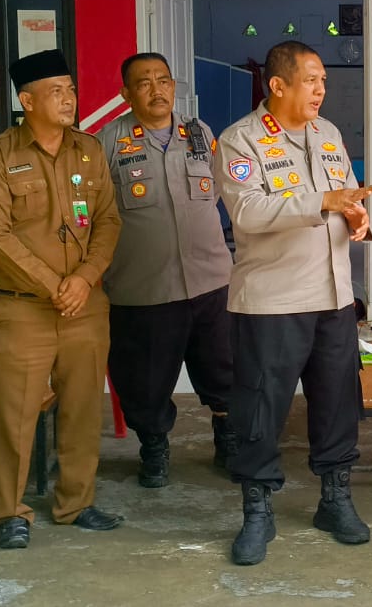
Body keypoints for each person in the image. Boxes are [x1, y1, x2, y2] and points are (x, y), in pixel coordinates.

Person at [215, 40, 372, 566]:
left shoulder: (327, 133)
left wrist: (356, 216)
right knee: (260, 408)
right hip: (273, 301)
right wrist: (324, 201)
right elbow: (248, 211)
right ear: (278, 85)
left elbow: (345, 193)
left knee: (337, 402)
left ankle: (335, 500)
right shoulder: (240, 140)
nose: (321, 90)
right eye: (311, 80)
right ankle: (257, 511)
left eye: (324, 81)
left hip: (334, 296)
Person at [0, 49, 126, 550]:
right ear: (27, 100)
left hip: (85, 305)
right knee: (14, 416)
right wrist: (55, 286)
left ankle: (76, 502)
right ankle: (9, 512)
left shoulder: (90, 150)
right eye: (56, 91)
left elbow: (108, 221)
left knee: (82, 410)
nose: (69, 99)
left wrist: (84, 278)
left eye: (71, 89)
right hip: (23, 308)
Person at [97, 52, 236, 488]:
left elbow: (218, 190)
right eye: (144, 83)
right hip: (144, 288)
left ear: (174, 87)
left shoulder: (200, 133)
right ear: (126, 93)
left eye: (163, 80)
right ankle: (153, 447)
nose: (156, 90)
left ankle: (228, 440)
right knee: (145, 380)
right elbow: (96, 210)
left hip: (210, 280)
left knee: (224, 370)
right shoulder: (107, 142)